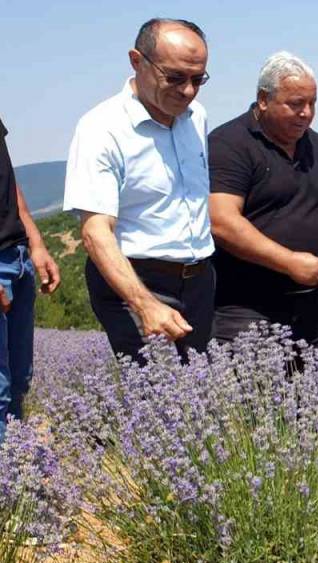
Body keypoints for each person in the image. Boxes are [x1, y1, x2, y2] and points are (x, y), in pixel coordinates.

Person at [65, 18, 215, 362]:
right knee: (158, 391)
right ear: (137, 61)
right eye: (174, 77)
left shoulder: (197, 117)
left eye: (198, 79)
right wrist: (145, 304)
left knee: (202, 390)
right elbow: (95, 232)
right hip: (136, 283)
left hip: (199, 281)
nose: (188, 91)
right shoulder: (101, 128)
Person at [208, 52, 318, 353]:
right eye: (296, 104)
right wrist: (289, 262)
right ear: (264, 99)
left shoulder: (315, 143)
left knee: (311, 385)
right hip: (246, 311)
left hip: (307, 308)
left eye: (312, 103)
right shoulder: (230, 143)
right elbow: (222, 222)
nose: (306, 113)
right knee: (252, 386)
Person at [0, 118, 62, 438]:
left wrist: (35, 242)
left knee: (19, 380)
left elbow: (7, 178)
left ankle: (13, 460)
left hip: (17, 255)